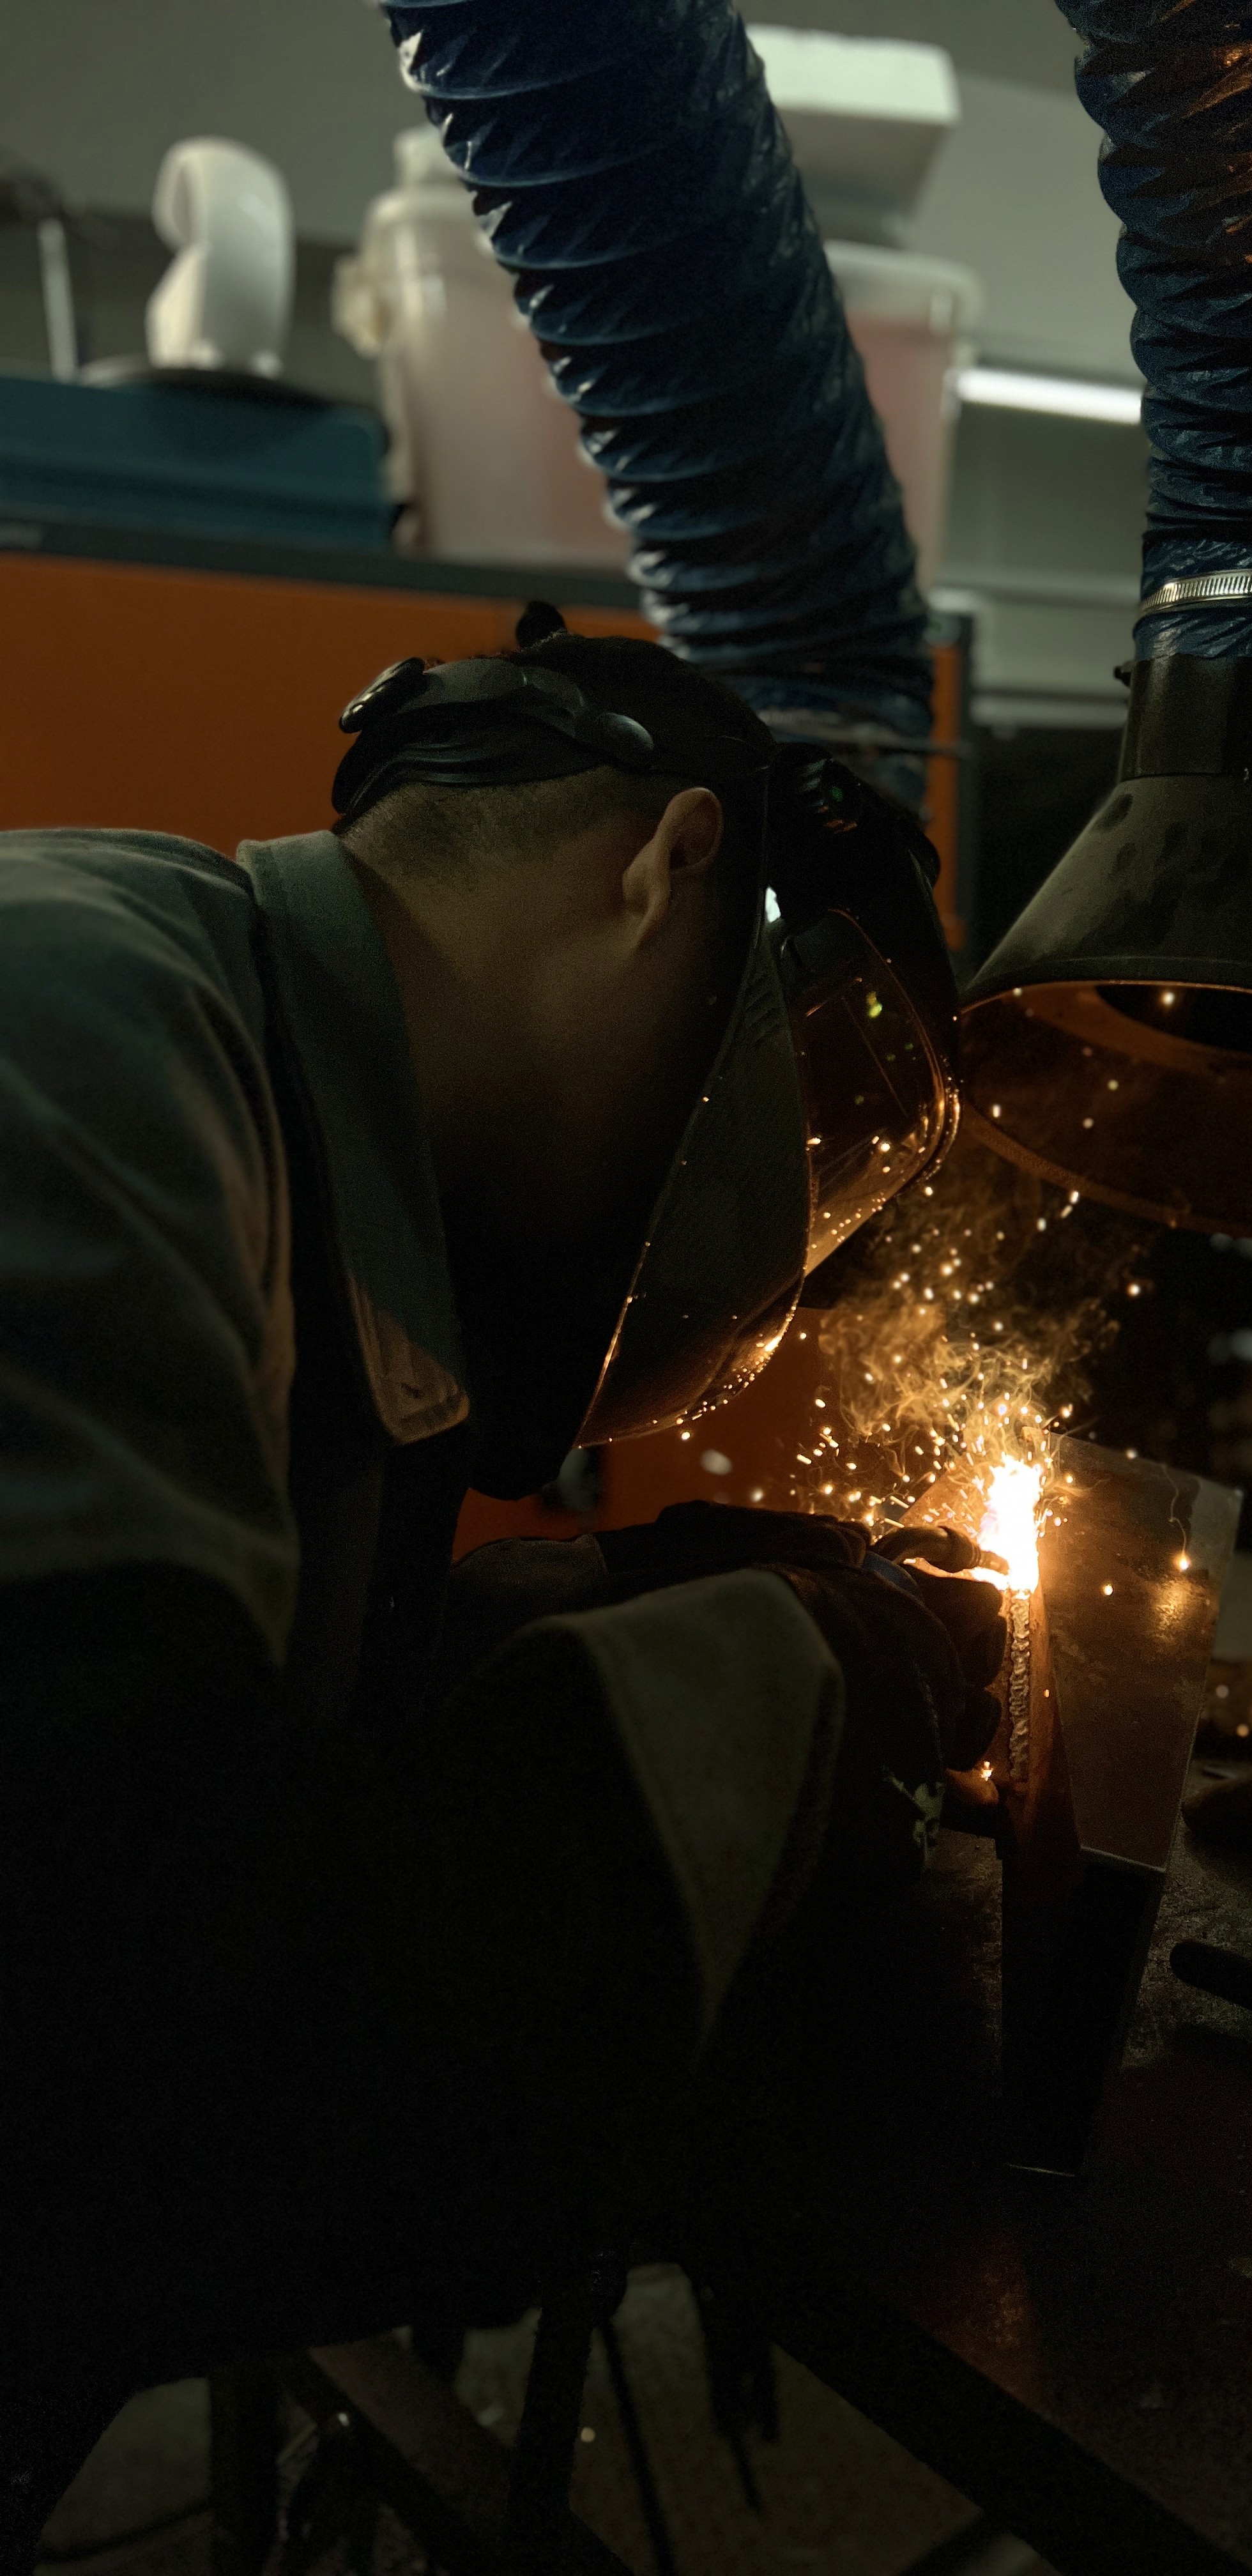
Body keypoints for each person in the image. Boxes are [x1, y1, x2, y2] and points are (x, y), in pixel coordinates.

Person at [0, 607, 1001, 2529]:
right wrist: (784, 1687)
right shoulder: (77, 1038)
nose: (798, 1219)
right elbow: (141, 2065)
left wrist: (578, 1611)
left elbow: (218, 1730)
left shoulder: (258, 1126)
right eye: (815, 1084)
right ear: (666, 871)